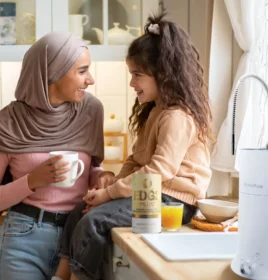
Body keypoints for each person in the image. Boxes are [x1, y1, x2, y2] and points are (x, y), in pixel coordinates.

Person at [53, 13, 215, 280]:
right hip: (152, 193)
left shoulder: (177, 116)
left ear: (162, 74)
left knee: (94, 221)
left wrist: (111, 194)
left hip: (174, 200)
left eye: (137, 75)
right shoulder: (155, 111)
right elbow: (137, 160)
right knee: (78, 213)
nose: (132, 83)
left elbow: (158, 171)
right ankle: (60, 276)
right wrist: (113, 186)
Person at [0, 31, 115, 280]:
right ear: (54, 72)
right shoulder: (7, 122)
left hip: (80, 235)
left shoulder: (90, 111)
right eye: (82, 71)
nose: (90, 79)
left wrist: (101, 176)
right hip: (24, 238)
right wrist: (31, 181)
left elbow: (88, 169)